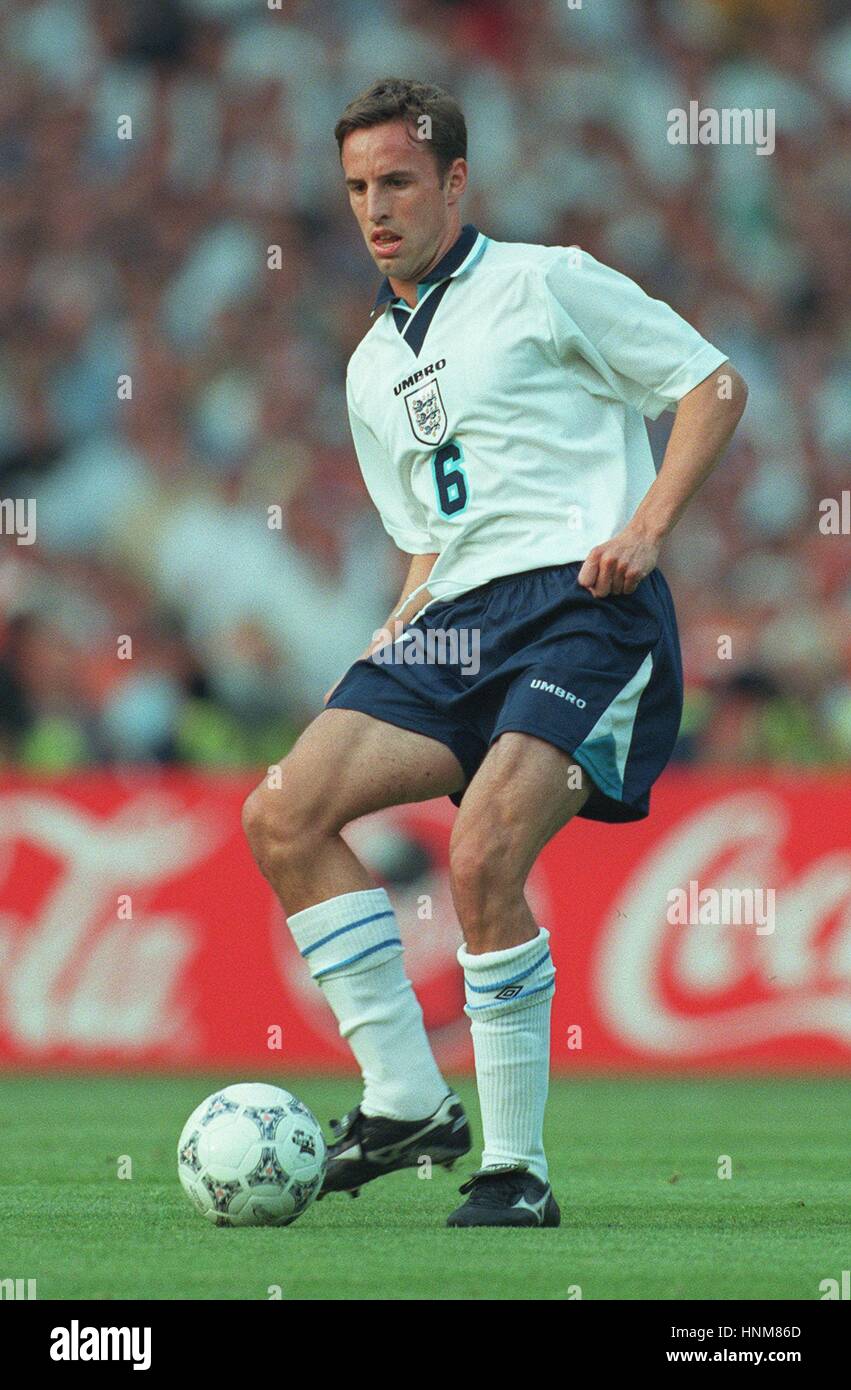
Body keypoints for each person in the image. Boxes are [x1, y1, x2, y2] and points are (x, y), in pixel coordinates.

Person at [242, 77, 748, 1228]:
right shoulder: (369, 367)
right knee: (280, 811)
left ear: (454, 181)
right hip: (449, 623)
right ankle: (405, 1099)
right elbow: (426, 538)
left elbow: (711, 384)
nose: (376, 208)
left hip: (581, 604)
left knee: (479, 856)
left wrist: (646, 527)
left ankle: (513, 1170)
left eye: (398, 183)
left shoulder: (542, 279)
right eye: (358, 188)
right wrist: (385, 633)